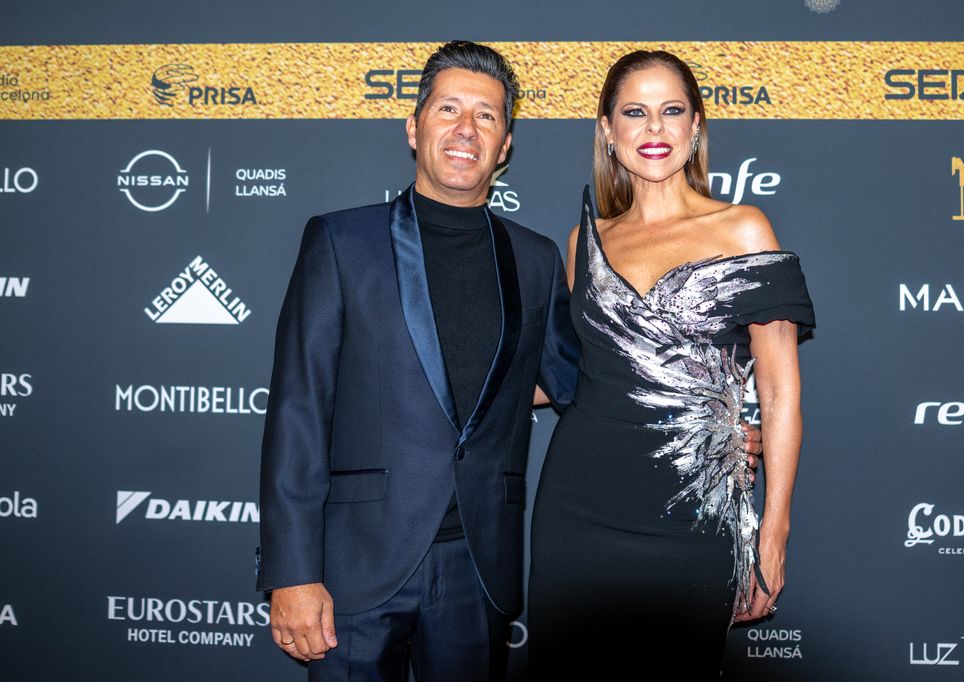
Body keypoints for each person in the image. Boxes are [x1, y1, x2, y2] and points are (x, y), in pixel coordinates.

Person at [256, 41, 580, 682]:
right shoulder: (342, 241)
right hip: (355, 567)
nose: (467, 129)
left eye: (487, 116)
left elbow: (579, 385)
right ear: (413, 127)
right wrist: (292, 572)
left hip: (478, 565)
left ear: (505, 144)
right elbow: (298, 410)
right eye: (449, 109)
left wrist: (698, 431)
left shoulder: (537, 259)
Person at [528, 50, 815, 679]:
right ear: (608, 129)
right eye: (635, 112)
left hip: (694, 513)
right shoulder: (586, 242)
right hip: (577, 507)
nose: (653, 129)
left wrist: (774, 531)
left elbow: (779, 389)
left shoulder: (743, 229)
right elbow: (571, 373)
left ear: (695, 127)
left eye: (671, 111)